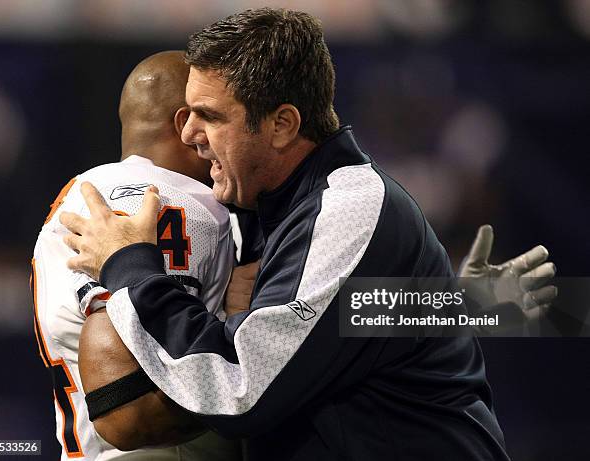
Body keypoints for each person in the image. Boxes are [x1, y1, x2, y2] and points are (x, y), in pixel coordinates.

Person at [60, 8, 546, 460]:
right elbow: (347, 321)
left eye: (211, 115)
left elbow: (240, 382)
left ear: (281, 125)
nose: (189, 135)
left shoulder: (348, 208)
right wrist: (453, 305)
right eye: (188, 114)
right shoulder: (263, 204)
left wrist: (129, 263)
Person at [32, 50, 244, 460]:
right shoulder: (172, 202)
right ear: (188, 124)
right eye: (220, 116)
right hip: (157, 448)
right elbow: (139, 360)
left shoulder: (83, 191)